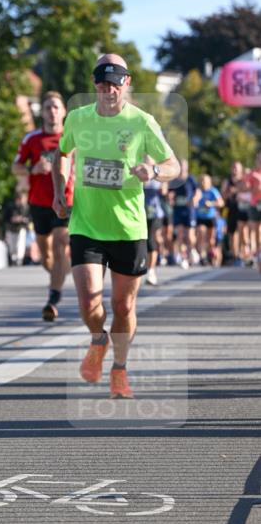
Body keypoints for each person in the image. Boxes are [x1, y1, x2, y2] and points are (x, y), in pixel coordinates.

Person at [52, 54, 179, 399]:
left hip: (128, 228)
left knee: (123, 307)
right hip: (87, 224)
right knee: (88, 302)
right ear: (94, 84)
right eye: (102, 82)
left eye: (115, 81)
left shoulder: (142, 122)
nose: (108, 89)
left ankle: (119, 369)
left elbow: (174, 165)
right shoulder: (78, 119)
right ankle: (98, 338)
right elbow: (62, 153)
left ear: (127, 82)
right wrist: (59, 190)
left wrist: (153, 172)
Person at [12, 91, 73, 321]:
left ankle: (52, 299)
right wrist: (32, 169)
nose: (52, 111)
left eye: (56, 107)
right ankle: (61, 274)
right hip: (39, 202)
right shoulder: (32, 139)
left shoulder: (73, 137)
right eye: (48, 107)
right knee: (46, 255)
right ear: (42, 112)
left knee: (59, 246)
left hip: (66, 200)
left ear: (63, 111)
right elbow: (15, 167)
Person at [169, 159, 199, 268]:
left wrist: (195, 199)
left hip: (189, 211)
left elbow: (197, 192)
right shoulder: (174, 180)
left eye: (183, 166)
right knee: (180, 235)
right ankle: (183, 257)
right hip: (178, 210)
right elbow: (170, 192)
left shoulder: (191, 179)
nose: (182, 168)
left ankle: (192, 249)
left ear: (186, 167)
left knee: (190, 236)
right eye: (180, 166)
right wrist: (170, 198)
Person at [222, 161, 253, 266]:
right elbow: (223, 197)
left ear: (241, 169)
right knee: (233, 234)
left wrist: (238, 190)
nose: (235, 170)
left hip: (244, 210)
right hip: (231, 210)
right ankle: (236, 256)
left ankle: (248, 255)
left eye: (237, 168)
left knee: (245, 233)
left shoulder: (245, 180)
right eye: (233, 167)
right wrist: (229, 192)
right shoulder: (227, 181)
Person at [195, 173, 224, 266]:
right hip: (200, 218)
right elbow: (192, 202)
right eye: (201, 181)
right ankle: (203, 257)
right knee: (201, 233)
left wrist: (211, 204)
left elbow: (221, 203)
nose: (203, 183)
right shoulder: (198, 191)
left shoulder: (213, 191)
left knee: (211, 240)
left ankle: (211, 255)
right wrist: (196, 198)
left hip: (211, 218)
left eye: (205, 181)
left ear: (209, 182)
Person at [143, 178, 165, 286]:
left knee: (151, 240)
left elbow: (164, 191)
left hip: (155, 213)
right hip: (140, 213)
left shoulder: (157, 177)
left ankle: (151, 271)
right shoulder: (138, 174)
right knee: (145, 240)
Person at [2, 189, 32, 266]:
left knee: (20, 244)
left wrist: (23, 220)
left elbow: (30, 218)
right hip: (11, 229)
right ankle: (13, 258)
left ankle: (19, 259)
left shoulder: (26, 208)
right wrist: (12, 219)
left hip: (21, 228)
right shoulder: (10, 207)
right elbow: (5, 218)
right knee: (12, 245)